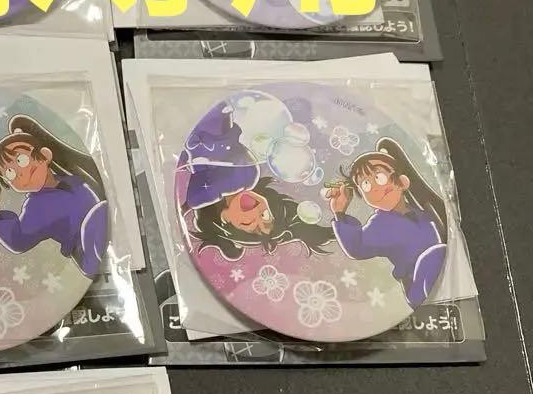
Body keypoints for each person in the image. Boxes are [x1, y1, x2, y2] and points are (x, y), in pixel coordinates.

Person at [180, 103, 333, 260]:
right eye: (265, 215)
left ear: (225, 219)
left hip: (188, 137)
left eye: (248, 224)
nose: (256, 213)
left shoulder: (200, 198)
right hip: (214, 124)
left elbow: (192, 194)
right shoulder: (249, 175)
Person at [0, 115, 108, 277]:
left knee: (102, 211)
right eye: (10, 173)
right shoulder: (35, 207)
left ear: (45, 155)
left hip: (106, 236)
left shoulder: (72, 179)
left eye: (21, 160)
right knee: (100, 212)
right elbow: (19, 240)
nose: (19, 174)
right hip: (87, 253)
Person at [325, 137, 447, 308]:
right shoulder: (379, 225)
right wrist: (340, 213)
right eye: (365, 184)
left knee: (439, 255)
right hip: (418, 288)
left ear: (402, 182)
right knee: (435, 256)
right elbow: (357, 247)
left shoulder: (424, 212)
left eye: (379, 177)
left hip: (445, 276)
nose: (374, 187)